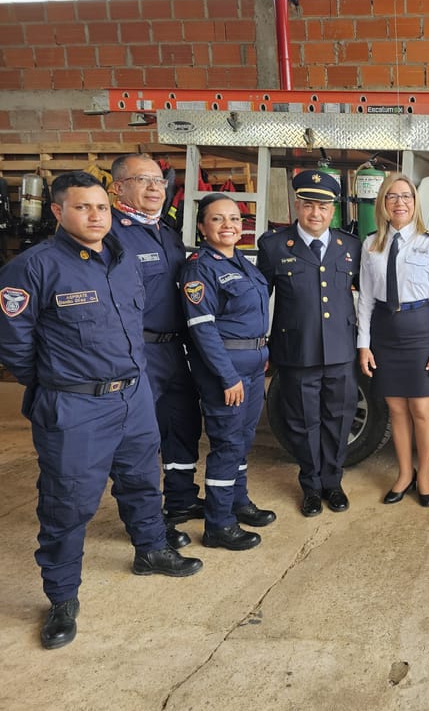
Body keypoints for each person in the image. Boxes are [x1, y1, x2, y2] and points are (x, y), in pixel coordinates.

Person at [0, 171, 202, 650]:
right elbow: (14, 347)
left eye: (102, 208)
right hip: (74, 404)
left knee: (140, 479)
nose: (95, 217)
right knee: (67, 503)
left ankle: (150, 550)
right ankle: (62, 598)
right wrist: (58, 386)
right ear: (57, 211)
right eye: (83, 208)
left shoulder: (123, 258)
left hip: (132, 397)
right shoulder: (33, 268)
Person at [108, 153, 203, 550]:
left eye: (159, 181)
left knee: (182, 426)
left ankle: (180, 499)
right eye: (143, 180)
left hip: (173, 350)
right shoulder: (110, 233)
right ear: (118, 188)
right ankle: (146, 524)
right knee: (141, 442)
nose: (155, 188)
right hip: (136, 354)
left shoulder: (164, 230)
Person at [257, 171, 360, 517]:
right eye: (308, 205)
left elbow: (367, 296)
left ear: (333, 211)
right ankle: (311, 486)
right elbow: (258, 300)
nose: (315, 213)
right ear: (297, 206)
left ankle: (333, 481)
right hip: (297, 351)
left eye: (323, 207)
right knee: (303, 421)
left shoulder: (350, 247)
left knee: (339, 418)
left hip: (341, 350)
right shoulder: (273, 246)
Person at [179, 193, 275, 551]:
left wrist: (261, 353)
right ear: (203, 227)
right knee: (227, 443)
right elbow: (202, 329)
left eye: (234, 219)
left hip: (251, 364)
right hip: (228, 371)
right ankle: (219, 525)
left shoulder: (242, 262)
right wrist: (227, 377)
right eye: (218, 219)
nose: (229, 226)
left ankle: (238, 501)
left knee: (243, 440)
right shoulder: (200, 268)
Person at [357, 173, 429, 507]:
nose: (400, 203)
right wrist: (363, 344)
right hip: (385, 329)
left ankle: (424, 474)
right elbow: (365, 299)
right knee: (396, 408)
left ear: (415, 203)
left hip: (419, 328)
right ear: (383, 203)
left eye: (406, 196)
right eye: (392, 196)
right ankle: (404, 473)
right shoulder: (370, 245)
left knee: (422, 407)